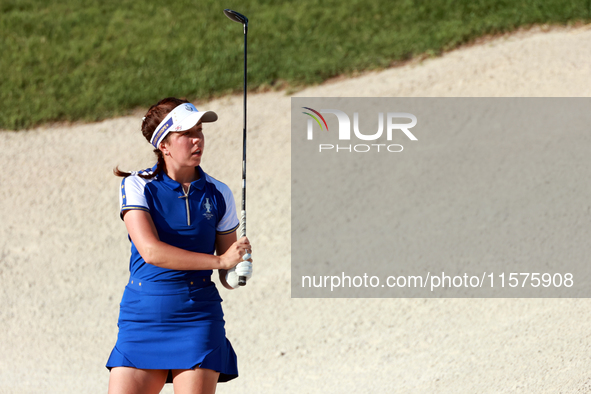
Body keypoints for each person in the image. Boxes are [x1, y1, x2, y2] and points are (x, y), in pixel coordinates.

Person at [106, 97, 253, 394]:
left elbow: (227, 273)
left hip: (197, 318)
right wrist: (221, 263)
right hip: (142, 316)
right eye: (187, 134)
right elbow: (151, 252)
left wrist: (237, 269)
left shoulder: (219, 193)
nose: (197, 140)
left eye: (199, 131)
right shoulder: (137, 184)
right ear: (164, 145)